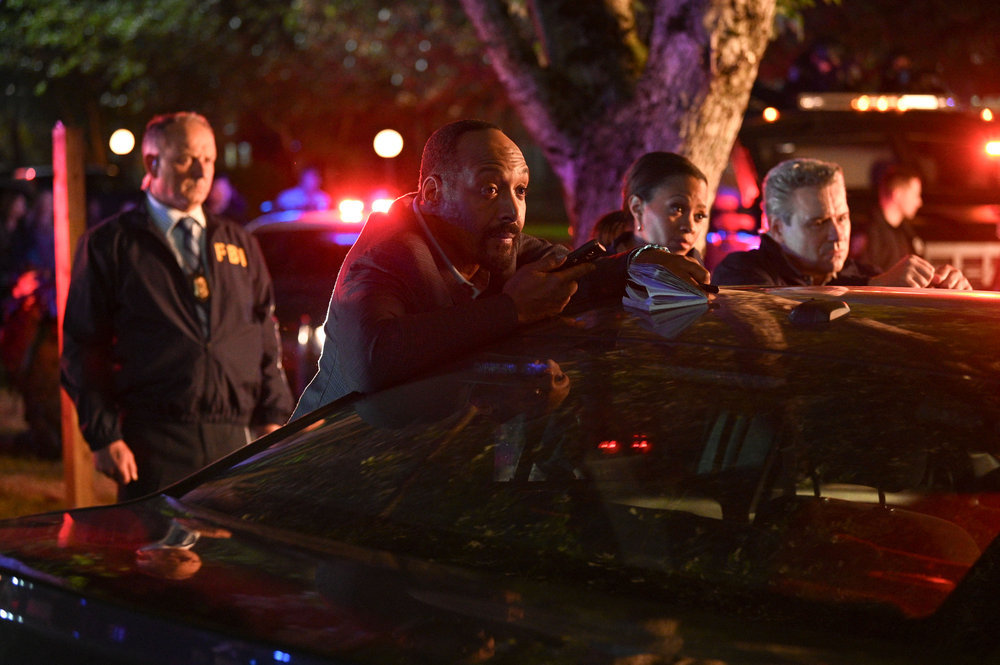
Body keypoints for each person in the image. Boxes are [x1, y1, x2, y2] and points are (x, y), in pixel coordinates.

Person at [290, 120, 709, 419]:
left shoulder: (496, 243)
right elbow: (373, 361)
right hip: (316, 474)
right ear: (433, 193)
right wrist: (512, 310)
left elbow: (574, 274)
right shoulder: (386, 254)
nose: (512, 210)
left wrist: (637, 261)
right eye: (490, 189)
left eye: (520, 190)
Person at [61, 112, 294, 500]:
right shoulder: (111, 244)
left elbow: (264, 336)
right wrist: (103, 436)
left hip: (235, 442)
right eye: (187, 159)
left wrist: (273, 417)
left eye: (209, 159)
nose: (202, 172)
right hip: (154, 445)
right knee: (162, 542)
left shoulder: (239, 243)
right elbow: (84, 346)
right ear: (152, 163)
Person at [711, 158, 970, 289]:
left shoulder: (865, 273)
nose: (837, 234)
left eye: (842, 218)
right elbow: (787, 321)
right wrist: (875, 291)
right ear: (778, 229)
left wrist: (943, 295)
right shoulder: (741, 274)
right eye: (819, 222)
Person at [616, 152, 710, 263]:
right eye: (677, 209)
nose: (690, 227)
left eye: (699, 216)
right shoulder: (602, 270)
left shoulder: (699, 271)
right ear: (637, 208)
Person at [853, 162, 925, 272]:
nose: (919, 202)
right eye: (915, 194)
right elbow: (861, 277)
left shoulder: (906, 233)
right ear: (897, 194)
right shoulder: (869, 233)